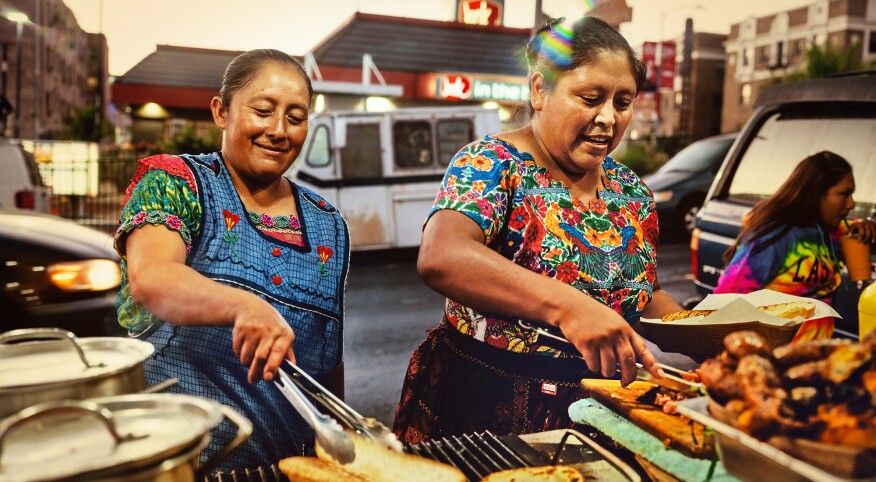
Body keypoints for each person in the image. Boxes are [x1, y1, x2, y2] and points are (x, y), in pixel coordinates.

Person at [392, 16, 683, 443]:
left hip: (602, 406)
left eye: (623, 102)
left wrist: (703, 332)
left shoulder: (631, 191)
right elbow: (442, 255)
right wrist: (568, 306)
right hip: (487, 406)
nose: (607, 118)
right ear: (539, 90)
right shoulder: (491, 163)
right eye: (590, 98)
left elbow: (642, 293)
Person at [114, 49, 349, 471]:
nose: (278, 131)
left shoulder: (328, 224)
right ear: (221, 112)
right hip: (183, 463)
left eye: (295, 118)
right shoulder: (175, 182)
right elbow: (153, 277)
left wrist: (343, 439)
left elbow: (328, 358)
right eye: (263, 111)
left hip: (290, 467)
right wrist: (242, 305)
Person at [714, 151, 876, 341]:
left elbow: (858, 231)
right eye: (844, 194)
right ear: (816, 194)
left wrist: (869, 224)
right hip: (775, 358)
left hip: (810, 357)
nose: (851, 203)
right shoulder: (776, 235)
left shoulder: (831, 230)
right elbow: (726, 298)